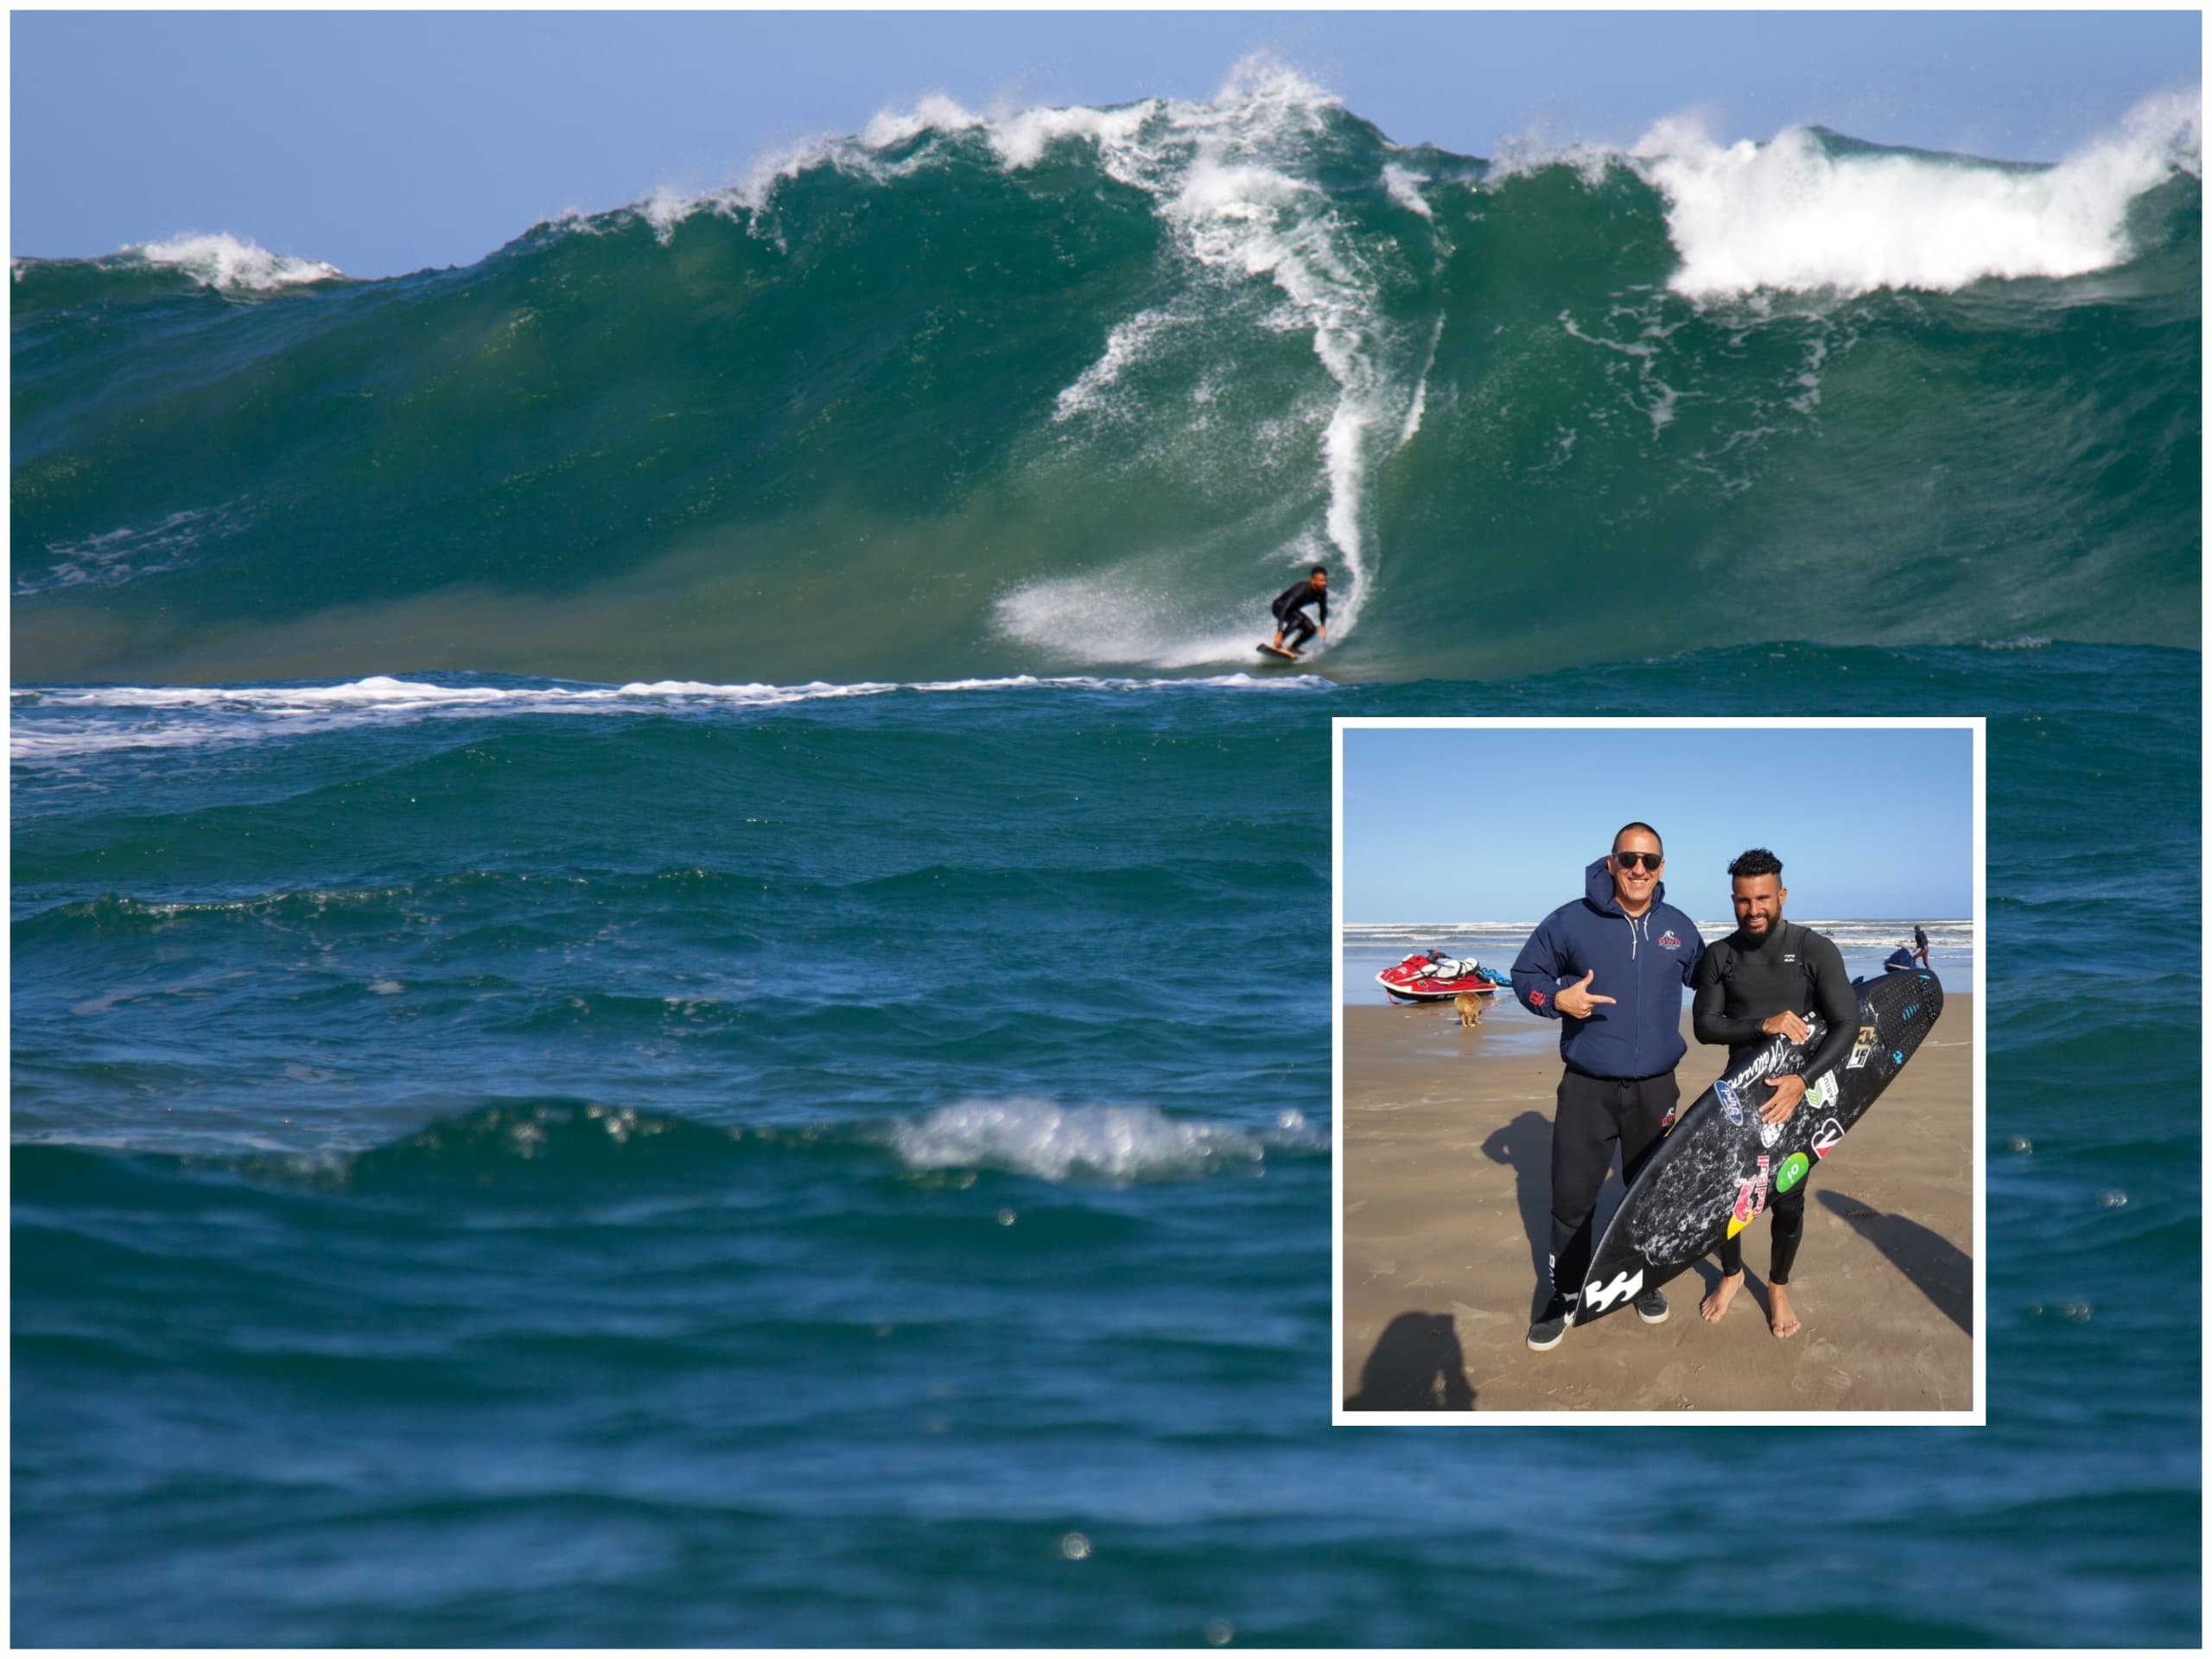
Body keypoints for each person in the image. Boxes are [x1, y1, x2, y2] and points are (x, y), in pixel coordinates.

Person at [1510, 823, 1705, 1351]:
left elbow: (1715, 987)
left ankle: (1641, 1281)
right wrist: (1557, 1000)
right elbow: (1525, 975)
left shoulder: (1679, 929)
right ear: (1612, 862)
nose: (1638, 869)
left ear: (1662, 868)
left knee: (1651, 1194)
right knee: (1573, 1199)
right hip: (1587, 1089)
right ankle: (1564, 1294)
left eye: (1649, 860)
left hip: (1656, 1090)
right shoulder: (1571, 920)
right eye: (1628, 858)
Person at [1691, 848, 1858, 1339]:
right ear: (1733, 900)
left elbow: (1847, 1023)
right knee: (1732, 1197)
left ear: (1781, 895)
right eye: (1743, 900)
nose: (1754, 909)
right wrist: (1762, 1024)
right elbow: (1705, 1026)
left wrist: (1803, 1081)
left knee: (1787, 1199)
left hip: (1796, 1097)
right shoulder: (1720, 956)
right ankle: (1732, 1273)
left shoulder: (1814, 950)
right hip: (1737, 1101)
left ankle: (1778, 1285)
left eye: (1763, 897)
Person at [1269, 566, 1328, 656]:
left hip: (1293, 610)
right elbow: (1285, 607)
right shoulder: (1302, 589)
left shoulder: (1322, 593)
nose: (1325, 583)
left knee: (1311, 629)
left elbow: (1323, 609)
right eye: (1321, 581)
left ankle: (1293, 647)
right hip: (1280, 607)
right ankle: (1277, 645)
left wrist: (1322, 625)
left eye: (1325, 581)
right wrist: (1279, 631)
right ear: (1313, 580)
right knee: (1298, 619)